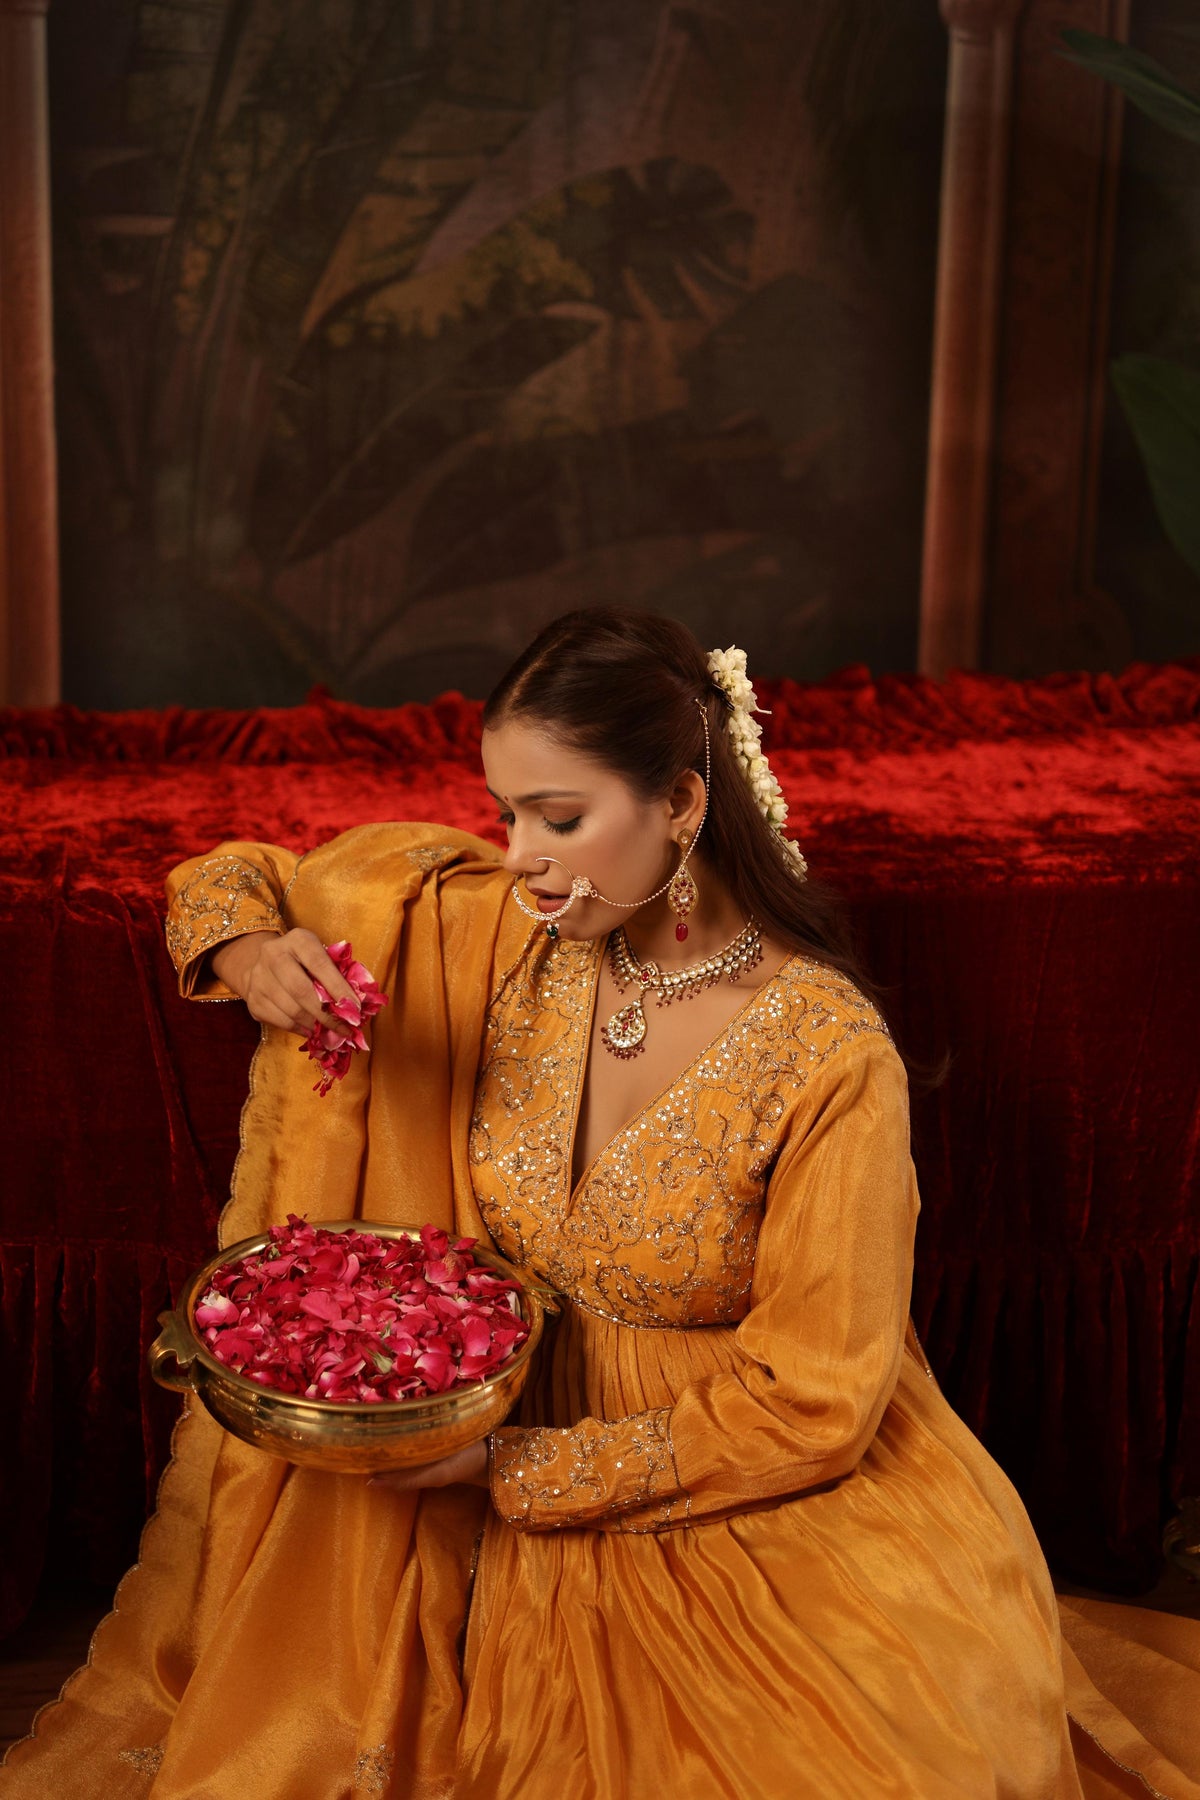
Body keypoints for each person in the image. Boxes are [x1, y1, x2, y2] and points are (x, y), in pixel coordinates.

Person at [3, 609, 1198, 1799]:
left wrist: (511, 1470)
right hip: (495, 1408)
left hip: (743, 1477)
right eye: (507, 814)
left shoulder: (828, 1060)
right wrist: (255, 954)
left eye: (559, 818)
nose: (521, 855)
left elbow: (819, 1403)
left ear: (680, 803)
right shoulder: (503, 935)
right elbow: (233, 876)